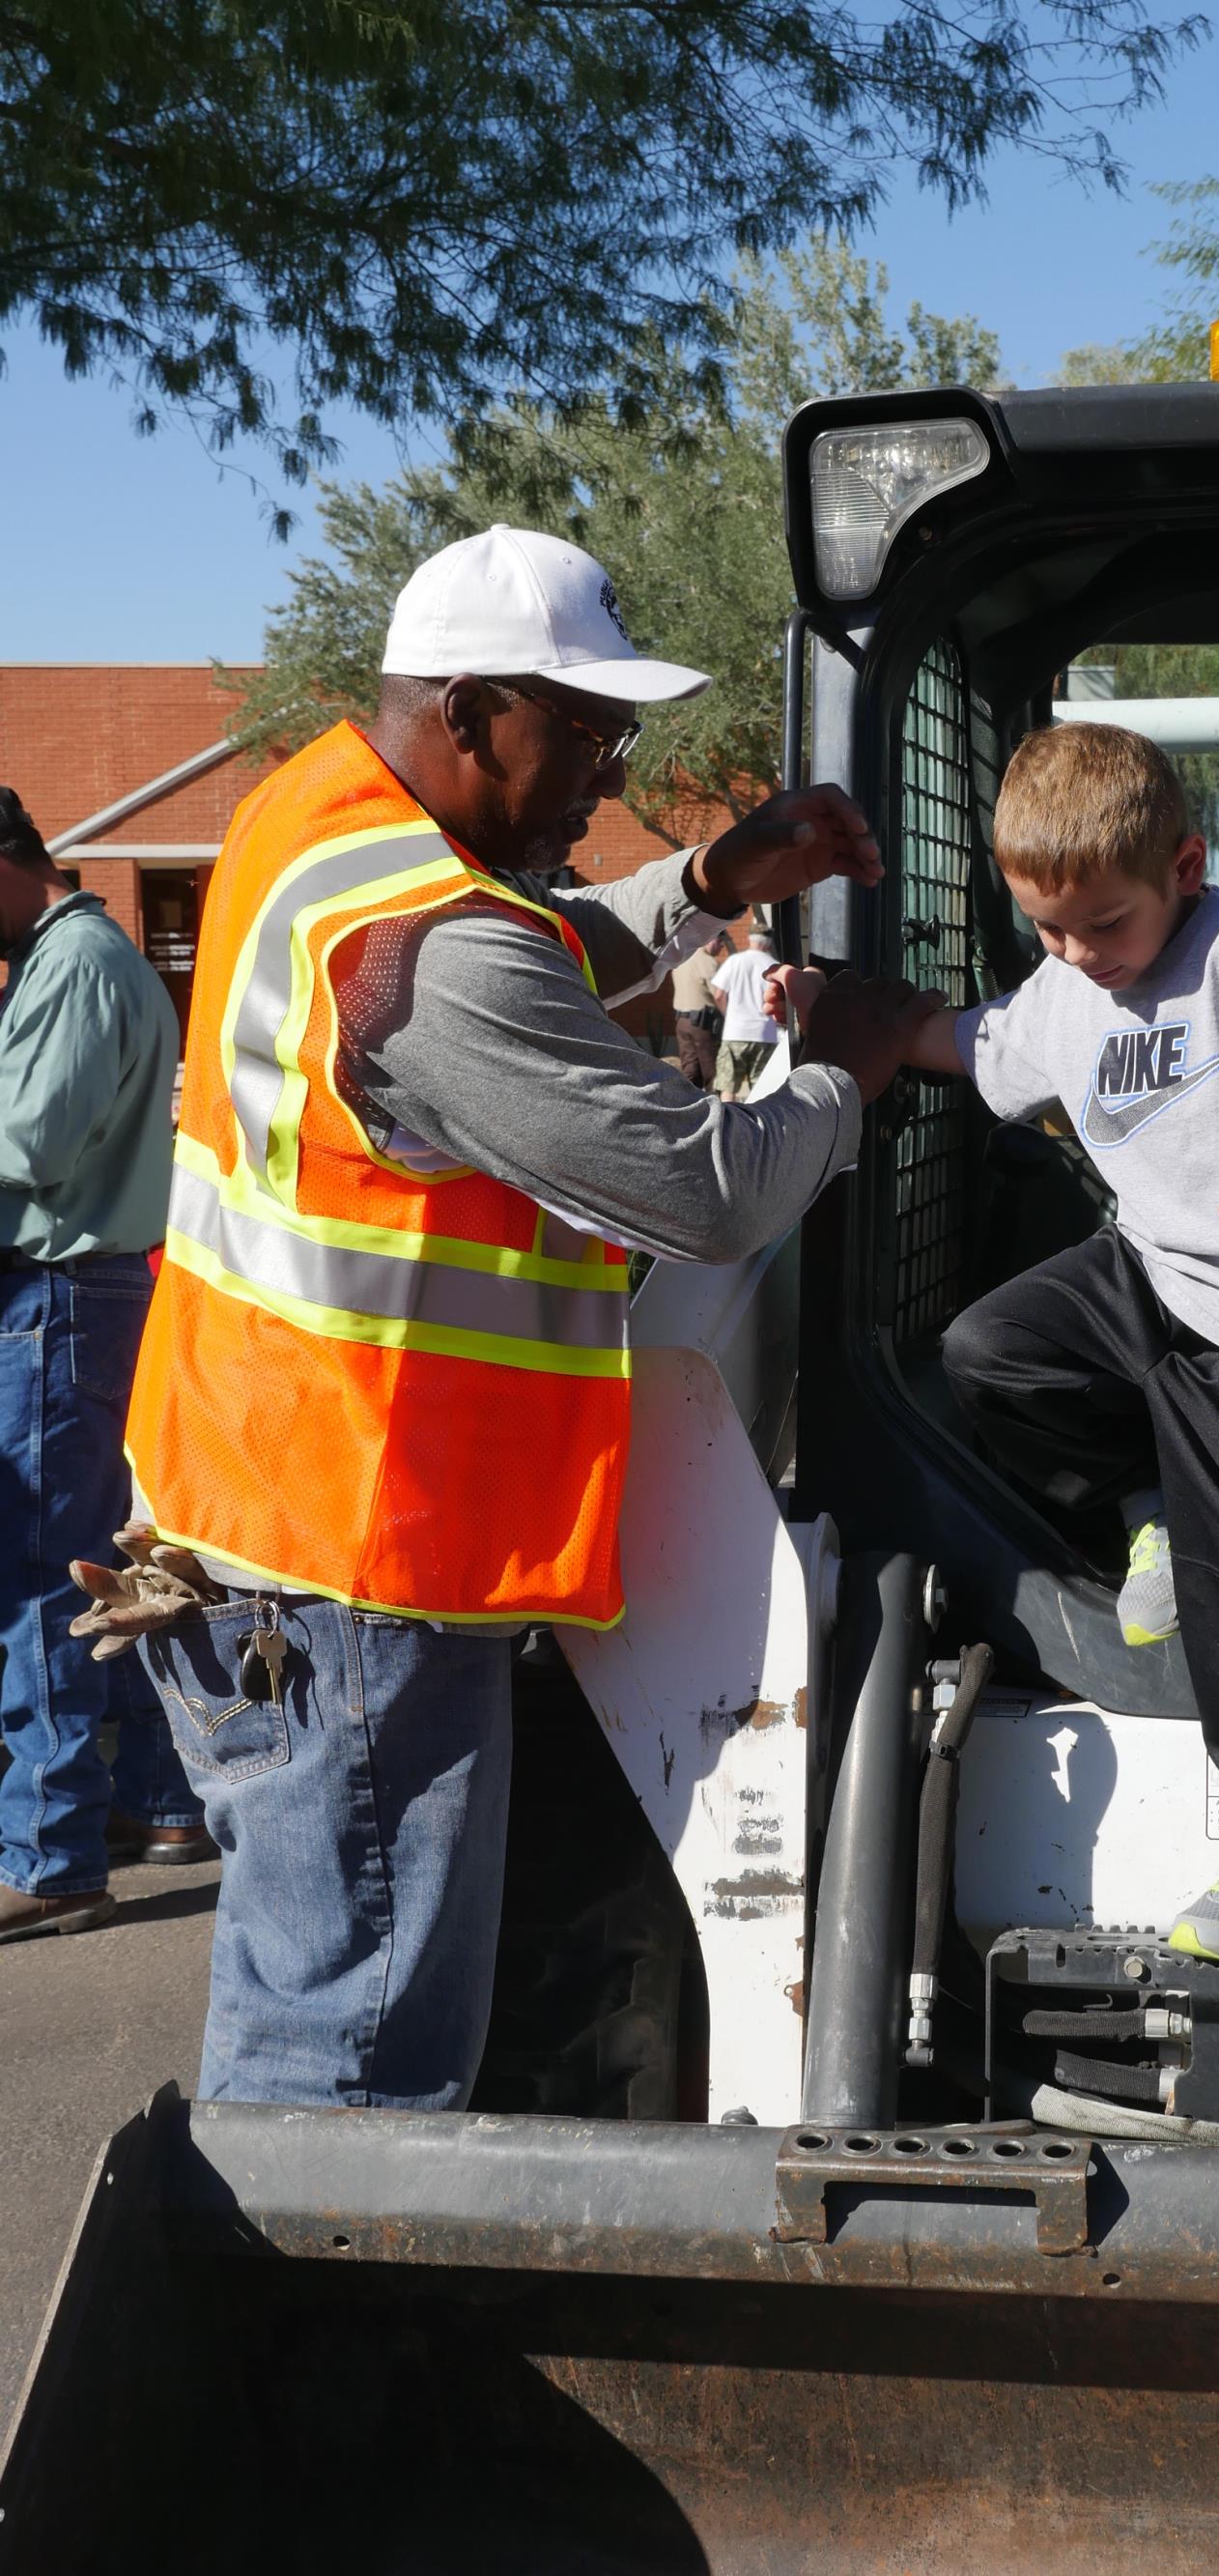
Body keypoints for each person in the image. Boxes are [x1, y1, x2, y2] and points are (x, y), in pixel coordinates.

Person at [80, 525, 930, 2106]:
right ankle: (314, 2343)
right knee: (353, 2076)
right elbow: (704, 1187)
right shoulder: (429, 940)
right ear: (472, 713)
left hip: (255, 1533)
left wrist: (707, 880)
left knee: (316, 2021)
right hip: (351, 1573)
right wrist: (849, 1071)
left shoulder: (319, 825)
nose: (609, 776)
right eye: (592, 734)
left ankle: (291, 2316)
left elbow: (521, 960)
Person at [799, 723, 1219, 1967]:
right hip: (1155, 1270)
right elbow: (965, 1043)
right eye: (1046, 928)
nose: (1074, 954)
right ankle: (1144, 1500)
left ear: (1186, 868)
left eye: (1100, 924)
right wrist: (836, 1007)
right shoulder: (1065, 984)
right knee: (995, 1350)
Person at [0, 787, 211, 1944]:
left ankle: (50, 1855)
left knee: (39, 1576)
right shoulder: (69, 956)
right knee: (84, 1564)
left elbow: (29, 1139)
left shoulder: (74, 962)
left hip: (57, 1290)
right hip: (77, 1288)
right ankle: (157, 1804)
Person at [712, 927, 782, 1099]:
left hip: (735, 1031)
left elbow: (719, 994)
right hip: (765, 1033)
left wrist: (728, 1015)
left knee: (729, 1086)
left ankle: (727, 1124)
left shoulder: (734, 960)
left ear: (750, 939)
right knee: (761, 1087)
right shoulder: (773, 966)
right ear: (768, 942)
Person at [669, 931, 729, 1088]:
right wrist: (728, 1017)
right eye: (720, 942)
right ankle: (715, 1105)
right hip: (702, 1024)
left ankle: (688, 1104)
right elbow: (718, 994)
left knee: (690, 1070)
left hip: (681, 1021)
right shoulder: (708, 962)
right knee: (711, 1070)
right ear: (711, 939)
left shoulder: (682, 958)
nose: (722, 946)